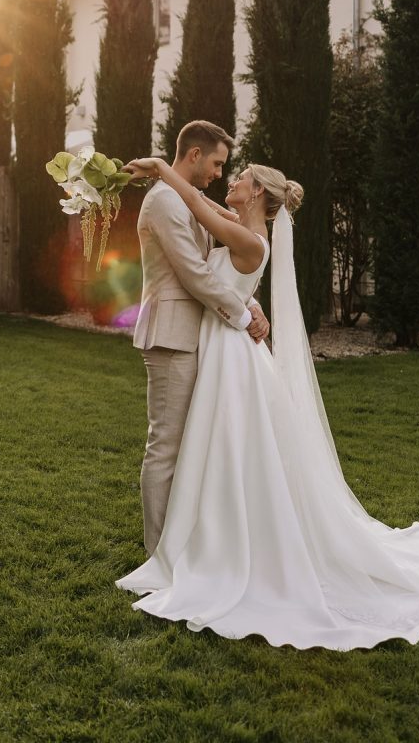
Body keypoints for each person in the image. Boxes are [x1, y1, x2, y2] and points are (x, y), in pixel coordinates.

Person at [117, 156, 419, 650]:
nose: (231, 180)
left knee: (229, 446)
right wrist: (251, 306)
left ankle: (222, 545)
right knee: (216, 447)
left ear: (256, 192)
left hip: (231, 355)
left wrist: (157, 167)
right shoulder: (244, 227)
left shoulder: (250, 239)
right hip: (224, 345)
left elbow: (195, 202)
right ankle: (203, 538)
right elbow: (207, 211)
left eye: (240, 178)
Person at [132, 120, 269, 555]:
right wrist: (241, 315)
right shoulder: (163, 202)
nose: (218, 173)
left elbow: (224, 262)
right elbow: (193, 274)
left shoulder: (186, 200)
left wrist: (252, 304)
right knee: (166, 447)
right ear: (193, 155)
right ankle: (159, 556)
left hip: (197, 335)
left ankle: (187, 544)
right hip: (172, 335)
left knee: (193, 447)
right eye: (216, 162)